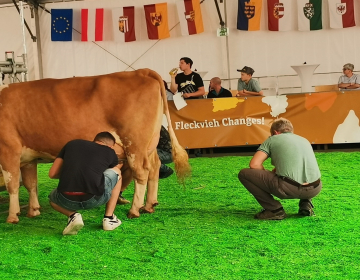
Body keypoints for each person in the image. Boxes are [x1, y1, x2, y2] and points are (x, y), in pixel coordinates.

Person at [238, 118, 322, 220]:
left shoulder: (273, 139)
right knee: (304, 171)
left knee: (244, 174)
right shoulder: (304, 140)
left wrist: (266, 175)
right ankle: (306, 203)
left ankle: (274, 210)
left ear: (275, 132)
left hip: (288, 189)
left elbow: (254, 164)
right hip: (315, 188)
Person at [48, 132, 123, 235]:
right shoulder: (110, 151)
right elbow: (112, 170)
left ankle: (73, 215)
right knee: (117, 172)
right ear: (110, 145)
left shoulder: (71, 144)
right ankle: (109, 218)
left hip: (65, 200)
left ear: (95, 140)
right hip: (94, 199)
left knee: (52, 199)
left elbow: (52, 174)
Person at [118, 126, 174, 204]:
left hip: (166, 152)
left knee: (137, 159)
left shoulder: (146, 123)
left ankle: (162, 168)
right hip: (159, 150)